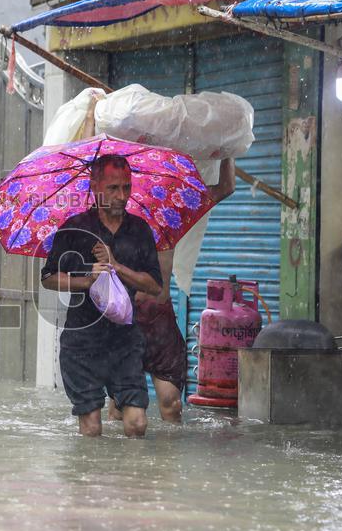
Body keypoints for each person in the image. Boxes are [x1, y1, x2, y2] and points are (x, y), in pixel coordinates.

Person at [41, 155, 163, 438]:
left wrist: (116, 266)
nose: (122, 196)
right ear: (94, 186)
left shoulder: (140, 230)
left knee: (137, 424)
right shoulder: (73, 228)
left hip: (125, 341)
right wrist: (88, 281)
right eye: (113, 188)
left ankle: (130, 481)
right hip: (82, 343)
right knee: (92, 428)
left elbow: (155, 286)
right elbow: (48, 278)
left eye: (127, 187)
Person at [110, 157, 236, 425]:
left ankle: (167, 465)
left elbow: (225, 188)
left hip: (161, 321)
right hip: (125, 321)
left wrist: (229, 149)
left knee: (172, 405)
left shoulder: (172, 214)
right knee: (120, 408)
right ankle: (114, 464)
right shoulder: (116, 217)